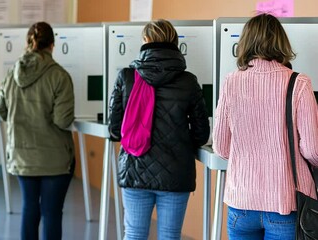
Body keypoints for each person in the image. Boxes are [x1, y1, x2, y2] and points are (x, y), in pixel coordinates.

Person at [213, 13, 318, 239]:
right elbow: (312, 150)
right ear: (281, 42)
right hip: (284, 202)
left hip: (241, 203)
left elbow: (221, 148)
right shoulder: (299, 83)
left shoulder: (231, 81)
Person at [108, 19, 210, 240]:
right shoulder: (188, 82)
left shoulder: (126, 77)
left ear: (145, 41)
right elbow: (202, 134)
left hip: (135, 168)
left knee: (134, 234)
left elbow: (115, 130)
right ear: (175, 43)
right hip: (176, 173)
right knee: (170, 236)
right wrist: (180, 143)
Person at [0, 21, 75, 240]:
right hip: (54, 158)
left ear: (28, 43)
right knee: (51, 213)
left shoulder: (12, 73)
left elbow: (1, 111)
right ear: (52, 45)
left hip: (22, 155)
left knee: (29, 208)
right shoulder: (60, 76)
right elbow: (62, 120)